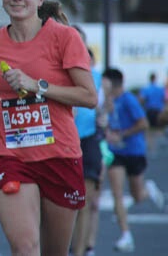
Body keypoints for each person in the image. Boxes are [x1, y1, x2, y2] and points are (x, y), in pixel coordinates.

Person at [0, 0, 97, 256]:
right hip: (10, 154)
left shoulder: (65, 37)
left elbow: (89, 97)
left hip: (59, 154)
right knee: (25, 248)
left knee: (54, 252)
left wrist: (38, 85)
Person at [103, 66, 165, 252]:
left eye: (104, 82)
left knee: (137, 195)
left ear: (112, 83)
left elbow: (144, 123)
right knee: (117, 194)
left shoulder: (129, 100)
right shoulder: (108, 101)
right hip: (117, 153)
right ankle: (125, 235)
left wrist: (122, 134)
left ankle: (149, 189)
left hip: (134, 151)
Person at [69, 29, 105, 256]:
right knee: (55, 205)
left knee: (84, 202)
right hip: (59, 142)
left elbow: (104, 108)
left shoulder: (97, 76)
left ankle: (81, 251)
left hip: (88, 141)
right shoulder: (53, 73)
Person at [140, 72, 166, 156]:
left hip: (150, 110)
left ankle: (152, 149)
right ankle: (161, 142)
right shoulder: (160, 89)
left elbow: (142, 99)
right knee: (160, 128)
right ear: (155, 78)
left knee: (149, 131)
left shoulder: (146, 89)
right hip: (159, 111)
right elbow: (164, 99)